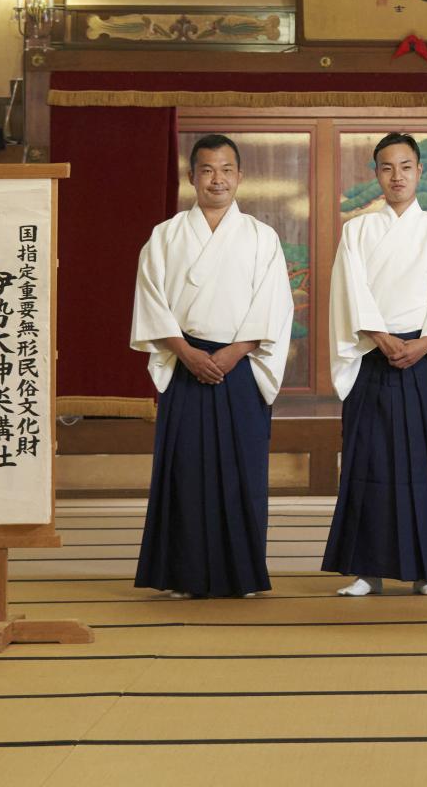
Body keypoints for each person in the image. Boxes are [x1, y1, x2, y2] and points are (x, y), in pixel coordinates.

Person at [130, 133, 295, 599]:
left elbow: (273, 306)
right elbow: (151, 302)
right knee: (185, 471)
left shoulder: (262, 238)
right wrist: (185, 352)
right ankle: (182, 573)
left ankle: (241, 573)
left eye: (226, 170)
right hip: (186, 364)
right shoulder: (165, 236)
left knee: (242, 470)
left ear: (240, 177)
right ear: (191, 178)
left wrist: (233, 352)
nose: (217, 179)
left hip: (238, 367)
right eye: (207, 170)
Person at [322, 132, 427, 596]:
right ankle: (367, 569)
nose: (397, 176)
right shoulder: (358, 231)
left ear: (420, 172)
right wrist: (381, 337)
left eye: (406, 166)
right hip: (373, 354)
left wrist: (425, 343)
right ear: (376, 174)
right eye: (387, 168)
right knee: (369, 461)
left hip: (423, 359)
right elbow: (351, 292)